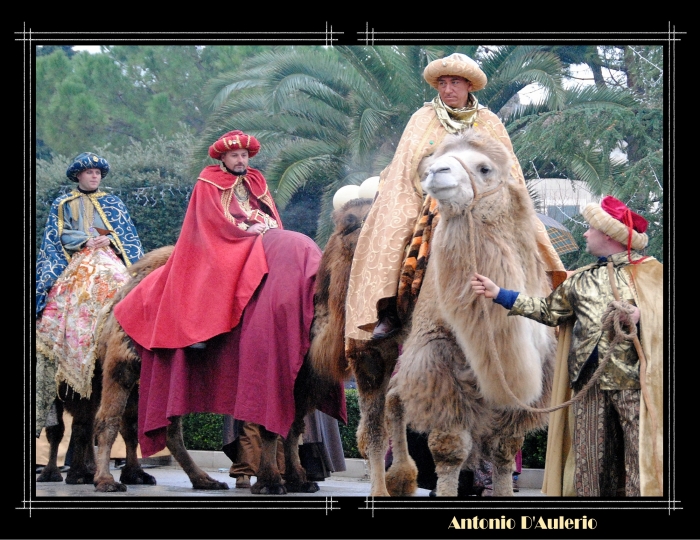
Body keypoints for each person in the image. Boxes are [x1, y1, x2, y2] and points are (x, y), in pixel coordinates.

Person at [112, 130, 346, 459]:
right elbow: (209, 223)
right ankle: (202, 328)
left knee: (291, 252)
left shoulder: (256, 180)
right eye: (235, 156)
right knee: (221, 271)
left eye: (245, 156)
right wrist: (242, 231)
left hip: (260, 238)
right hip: (221, 243)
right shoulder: (207, 183)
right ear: (222, 157)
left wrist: (264, 227)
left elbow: (268, 214)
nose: (241, 160)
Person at [344, 52, 564, 342]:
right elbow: (408, 165)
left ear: (469, 86)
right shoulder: (422, 118)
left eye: (455, 83)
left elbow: (507, 168)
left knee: (526, 238)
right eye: (443, 83)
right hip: (433, 195)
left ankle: (541, 299)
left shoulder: (489, 122)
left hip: (483, 197)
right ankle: (391, 309)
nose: (448, 90)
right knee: (396, 233)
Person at [470, 195, 663, 497]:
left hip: (635, 386)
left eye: (590, 229)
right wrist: (499, 294)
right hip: (588, 385)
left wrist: (644, 316)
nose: (585, 234)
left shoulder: (652, 273)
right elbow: (548, 312)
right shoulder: (581, 280)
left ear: (609, 235)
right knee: (589, 461)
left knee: (639, 459)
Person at [35, 152, 143, 436]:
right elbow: (57, 236)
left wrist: (108, 239)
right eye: (89, 172)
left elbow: (126, 237)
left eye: (98, 173)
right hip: (79, 259)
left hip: (109, 256)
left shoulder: (113, 203)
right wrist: (85, 240)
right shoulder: (64, 203)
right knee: (67, 294)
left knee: (125, 286)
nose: (94, 176)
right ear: (78, 176)